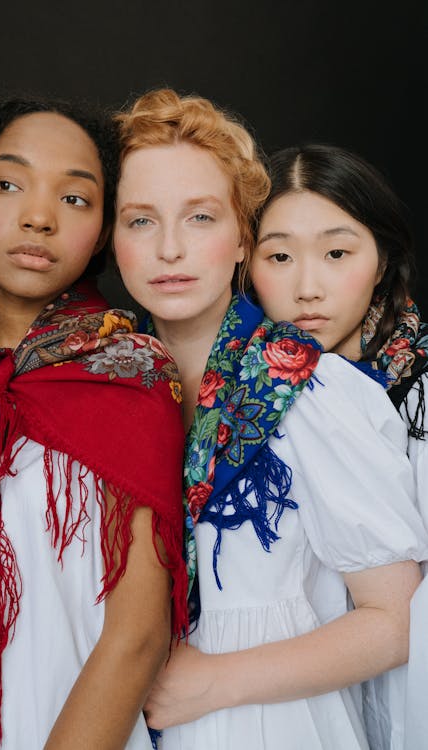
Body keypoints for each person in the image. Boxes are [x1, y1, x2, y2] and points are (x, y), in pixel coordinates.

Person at [112, 89, 428, 750]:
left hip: (270, 724)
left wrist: (218, 681)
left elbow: (396, 619)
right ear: (112, 239)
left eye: (200, 218)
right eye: (140, 220)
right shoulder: (105, 388)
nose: (171, 248)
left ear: (241, 240)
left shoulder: (314, 388)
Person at [0, 97, 188, 750]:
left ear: (103, 231)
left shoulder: (130, 374)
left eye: (74, 199)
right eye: (9, 184)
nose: (38, 217)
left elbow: (139, 636)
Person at [249, 143, 428, 749]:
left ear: (381, 261)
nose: (307, 288)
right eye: (278, 255)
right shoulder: (249, 393)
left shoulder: (419, 394)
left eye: (336, 253)